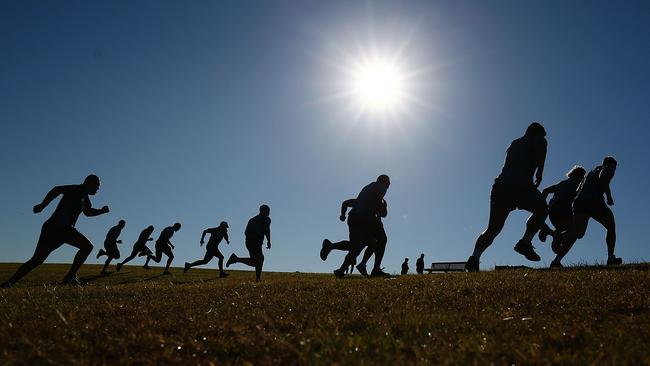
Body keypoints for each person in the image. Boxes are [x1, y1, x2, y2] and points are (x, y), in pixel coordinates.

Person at [466, 123, 548, 272]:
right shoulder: (539, 140)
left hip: (501, 187)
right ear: (537, 133)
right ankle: (525, 243)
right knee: (542, 209)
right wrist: (540, 172)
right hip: (520, 187)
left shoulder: (514, 143)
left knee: (492, 230)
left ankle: (474, 258)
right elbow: (541, 151)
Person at [1, 174, 109, 287]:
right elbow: (57, 190)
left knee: (37, 259)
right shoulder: (75, 189)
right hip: (58, 227)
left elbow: (88, 212)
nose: (98, 189)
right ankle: (70, 276)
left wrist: (101, 211)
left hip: (57, 228)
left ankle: (9, 283)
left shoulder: (85, 198)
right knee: (86, 247)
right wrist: (43, 205)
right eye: (97, 186)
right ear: (89, 183)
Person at [552, 157, 621, 267]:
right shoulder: (607, 169)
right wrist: (608, 196)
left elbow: (578, 189)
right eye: (615, 167)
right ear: (611, 165)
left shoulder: (591, 172)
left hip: (580, 202)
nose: (615, 170)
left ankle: (556, 259)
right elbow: (603, 178)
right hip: (594, 202)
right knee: (611, 226)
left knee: (577, 234)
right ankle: (611, 257)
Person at [321, 175, 391, 278]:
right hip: (363, 218)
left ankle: (336, 256)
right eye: (388, 182)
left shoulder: (367, 190)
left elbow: (347, 203)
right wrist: (380, 211)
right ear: (384, 181)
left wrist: (343, 215)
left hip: (354, 218)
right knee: (380, 241)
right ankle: (373, 269)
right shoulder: (380, 188)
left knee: (357, 245)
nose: (389, 184)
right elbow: (378, 210)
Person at [537, 165, 586, 257]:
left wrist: (542, 206)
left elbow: (545, 190)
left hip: (552, 211)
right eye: (582, 177)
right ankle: (554, 237)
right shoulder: (578, 185)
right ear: (580, 176)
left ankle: (549, 232)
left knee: (561, 229)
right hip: (563, 210)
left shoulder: (562, 183)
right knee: (574, 231)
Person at [226, 205, 271, 281]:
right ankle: (236, 259)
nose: (269, 213)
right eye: (268, 211)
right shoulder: (266, 219)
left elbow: (246, 232)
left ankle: (236, 259)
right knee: (259, 259)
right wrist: (268, 241)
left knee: (256, 261)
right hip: (254, 242)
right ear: (264, 211)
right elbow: (267, 230)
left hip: (250, 242)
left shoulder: (252, 220)